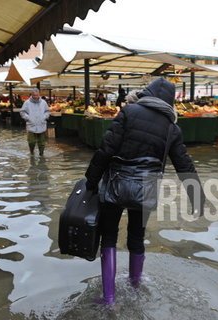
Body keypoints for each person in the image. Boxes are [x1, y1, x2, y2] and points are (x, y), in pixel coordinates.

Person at [84, 78, 205, 304]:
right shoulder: (172, 128)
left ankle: (109, 297)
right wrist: (196, 196)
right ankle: (135, 288)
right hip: (145, 189)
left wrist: (91, 180)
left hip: (115, 186)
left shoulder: (128, 113)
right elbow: (184, 164)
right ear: (170, 101)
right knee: (136, 237)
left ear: (147, 93)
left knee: (108, 236)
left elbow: (106, 148)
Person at [20, 89, 50, 156]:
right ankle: (32, 152)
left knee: (42, 142)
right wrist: (28, 118)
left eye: (36, 95)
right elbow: (22, 112)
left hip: (41, 124)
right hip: (31, 124)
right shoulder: (27, 103)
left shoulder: (43, 102)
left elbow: (47, 111)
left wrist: (44, 117)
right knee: (31, 141)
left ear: (39, 95)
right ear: (31, 95)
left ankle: (41, 154)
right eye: (34, 95)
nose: (35, 96)